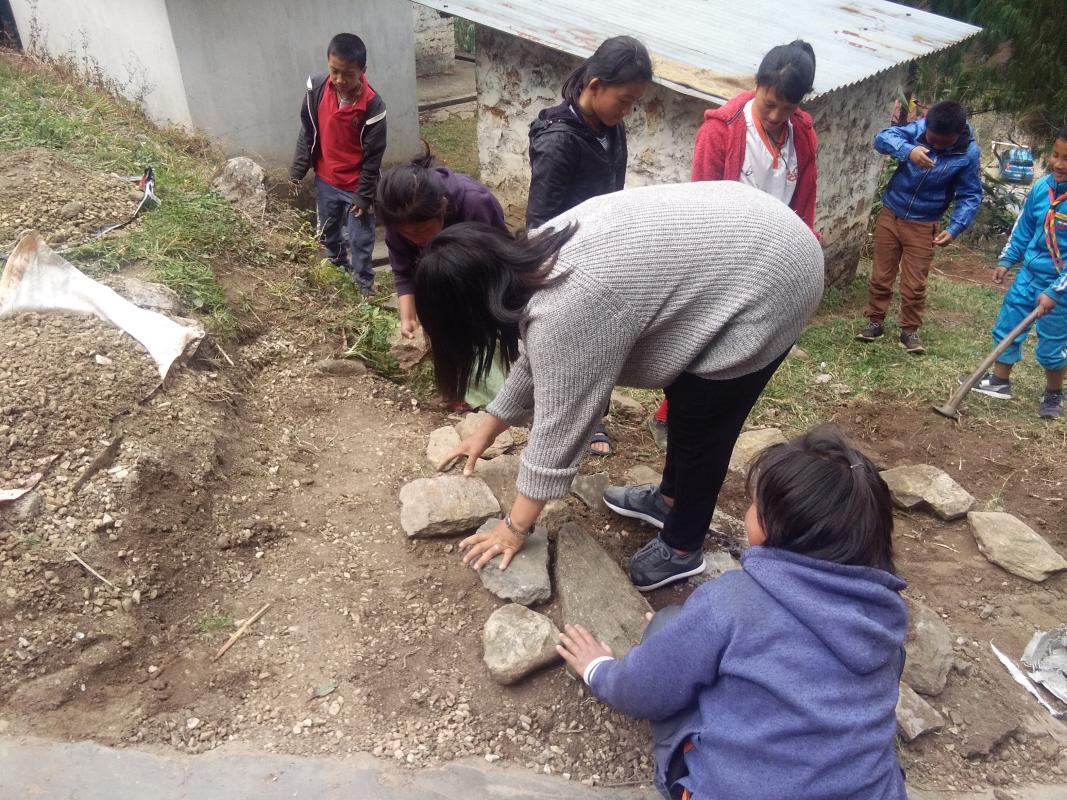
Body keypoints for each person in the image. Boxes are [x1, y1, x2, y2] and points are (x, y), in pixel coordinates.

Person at [423, 181, 823, 590]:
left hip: (777, 272)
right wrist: (486, 433)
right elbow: (538, 360)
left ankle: (683, 545)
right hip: (747, 238)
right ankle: (668, 499)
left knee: (704, 418)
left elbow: (561, 425)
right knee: (686, 399)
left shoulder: (568, 304)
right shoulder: (529, 260)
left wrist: (514, 527)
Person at [557, 427, 907, 800]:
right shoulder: (885, 615)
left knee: (666, 625)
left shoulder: (732, 601)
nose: (747, 512)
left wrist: (598, 669)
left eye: (755, 504)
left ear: (775, 527)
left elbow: (643, 692)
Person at [652, 40, 818, 441]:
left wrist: (807, 249)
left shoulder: (803, 135)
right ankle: (670, 413)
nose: (778, 116)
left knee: (749, 346)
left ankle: (718, 414)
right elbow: (702, 203)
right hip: (725, 256)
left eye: (788, 107)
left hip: (774, 259)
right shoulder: (722, 130)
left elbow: (805, 201)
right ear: (756, 85)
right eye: (769, 105)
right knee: (703, 338)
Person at [526, 35, 653, 455]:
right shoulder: (559, 139)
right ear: (595, 86)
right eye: (624, 100)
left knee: (602, 345)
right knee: (566, 348)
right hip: (566, 259)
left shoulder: (610, 128)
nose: (627, 110)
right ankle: (555, 424)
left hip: (604, 252)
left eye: (633, 102)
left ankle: (591, 418)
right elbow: (540, 220)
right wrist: (547, 275)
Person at [377, 151, 508, 408]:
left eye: (423, 230)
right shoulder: (398, 216)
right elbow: (403, 269)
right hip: (441, 286)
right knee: (442, 331)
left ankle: (503, 401)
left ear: (443, 209)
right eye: (407, 235)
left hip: (484, 281)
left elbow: (501, 257)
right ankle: (458, 392)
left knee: (488, 337)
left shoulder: (474, 203)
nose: (417, 240)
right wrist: (408, 315)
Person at [856, 100, 983, 354]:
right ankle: (875, 321)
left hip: (924, 224)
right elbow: (882, 138)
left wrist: (956, 226)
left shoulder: (968, 154)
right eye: (931, 140)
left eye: (941, 143)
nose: (933, 146)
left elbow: (970, 195)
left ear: (957, 134)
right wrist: (908, 150)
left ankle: (909, 330)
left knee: (915, 284)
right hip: (891, 213)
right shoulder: (919, 129)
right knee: (881, 275)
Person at [966, 128, 1067, 419]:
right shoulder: (1040, 189)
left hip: (1061, 287)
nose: (1059, 164)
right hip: (1029, 275)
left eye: (1066, 159)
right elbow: (1023, 228)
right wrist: (1007, 259)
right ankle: (999, 381)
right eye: (1056, 155)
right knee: (1009, 324)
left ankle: (1053, 394)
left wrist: (1055, 292)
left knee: (1052, 344)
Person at [290, 33, 386, 295]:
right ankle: (338, 272)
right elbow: (307, 130)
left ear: (362, 71)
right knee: (328, 233)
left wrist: (363, 196)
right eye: (335, 71)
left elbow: (372, 158)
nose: (340, 80)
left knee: (361, 238)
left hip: (356, 186)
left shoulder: (373, 106)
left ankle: (364, 284)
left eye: (348, 74)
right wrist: (298, 170)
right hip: (326, 180)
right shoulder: (317, 89)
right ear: (327, 64)